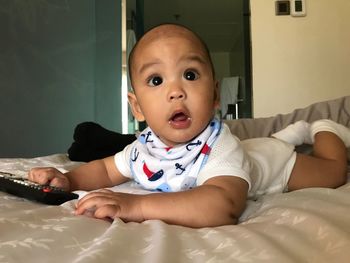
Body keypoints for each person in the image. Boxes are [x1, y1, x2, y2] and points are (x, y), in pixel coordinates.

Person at [28, 24, 350, 228]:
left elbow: (222, 205)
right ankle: (290, 134)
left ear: (213, 95)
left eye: (191, 75)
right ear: (137, 106)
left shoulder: (221, 146)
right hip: (251, 154)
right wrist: (67, 179)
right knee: (266, 146)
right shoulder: (143, 149)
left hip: (274, 163)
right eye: (156, 80)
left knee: (334, 172)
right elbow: (105, 170)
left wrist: (137, 205)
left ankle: (322, 127)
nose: (175, 90)